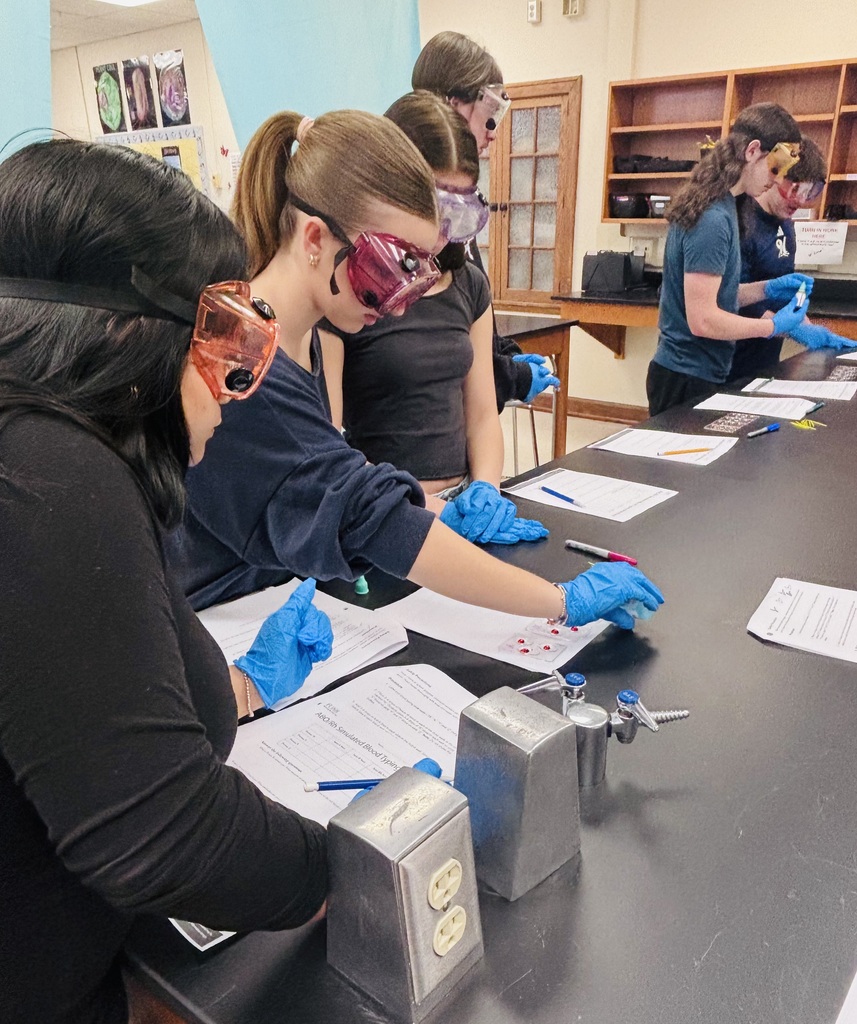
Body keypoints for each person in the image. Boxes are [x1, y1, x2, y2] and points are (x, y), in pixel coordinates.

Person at [0, 140, 338, 1024]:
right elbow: (160, 835)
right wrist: (352, 865)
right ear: (125, 331)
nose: (233, 380)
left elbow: (65, 711)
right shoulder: (46, 474)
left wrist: (239, 686)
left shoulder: (42, 455)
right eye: (220, 331)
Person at [169, 109, 664, 644]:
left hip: (270, 600)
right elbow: (370, 515)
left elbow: (325, 467)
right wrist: (562, 600)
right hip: (220, 626)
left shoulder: (297, 334)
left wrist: (444, 511)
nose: (399, 307)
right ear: (315, 237)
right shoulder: (245, 362)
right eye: (385, 271)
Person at [320, 91, 533, 534]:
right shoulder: (349, 297)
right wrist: (416, 510)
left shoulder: (469, 284)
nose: (441, 233)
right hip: (384, 513)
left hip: (461, 501)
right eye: (434, 207)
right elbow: (330, 441)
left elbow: (480, 413)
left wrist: (487, 491)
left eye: (459, 209)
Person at [412, 30, 560, 412]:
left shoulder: (456, 210)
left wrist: (503, 357)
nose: (493, 133)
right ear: (453, 105)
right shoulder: (411, 217)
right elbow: (433, 349)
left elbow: (466, 310)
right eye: (488, 115)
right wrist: (508, 376)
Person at [646, 103, 811, 417]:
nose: (777, 181)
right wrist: (772, 326)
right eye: (775, 169)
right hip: (684, 378)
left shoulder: (727, 208)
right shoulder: (712, 219)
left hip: (700, 374)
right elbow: (704, 319)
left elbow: (722, 296)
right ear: (752, 151)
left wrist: (769, 288)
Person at [728, 136, 856, 382]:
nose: (799, 201)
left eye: (810, 192)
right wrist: (792, 329)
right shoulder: (739, 222)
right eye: (796, 190)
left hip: (764, 363)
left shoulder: (786, 226)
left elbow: (787, 300)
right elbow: (734, 300)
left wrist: (812, 330)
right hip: (728, 363)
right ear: (776, 177)